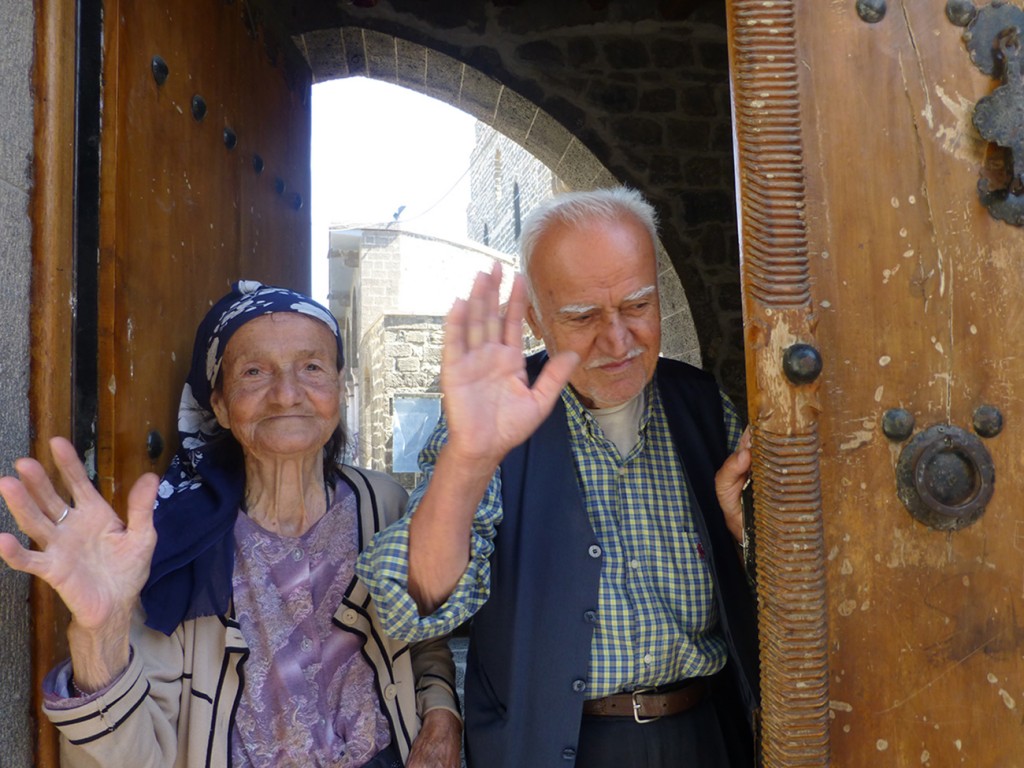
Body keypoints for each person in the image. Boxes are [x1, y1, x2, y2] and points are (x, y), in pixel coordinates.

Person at [356, 187, 760, 768]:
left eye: (638, 307)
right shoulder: (495, 413)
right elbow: (413, 603)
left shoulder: (703, 409)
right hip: (555, 749)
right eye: (584, 316)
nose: (618, 340)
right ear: (537, 320)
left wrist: (744, 532)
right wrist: (469, 458)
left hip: (704, 737)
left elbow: (782, 590)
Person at [0, 281, 462, 768]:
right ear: (219, 405)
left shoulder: (384, 503)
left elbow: (422, 636)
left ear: (340, 388)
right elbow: (129, 758)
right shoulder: (178, 537)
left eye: (311, 367)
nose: (286, 394)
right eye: (255, 372)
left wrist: (441, 710)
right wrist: (100, 633)